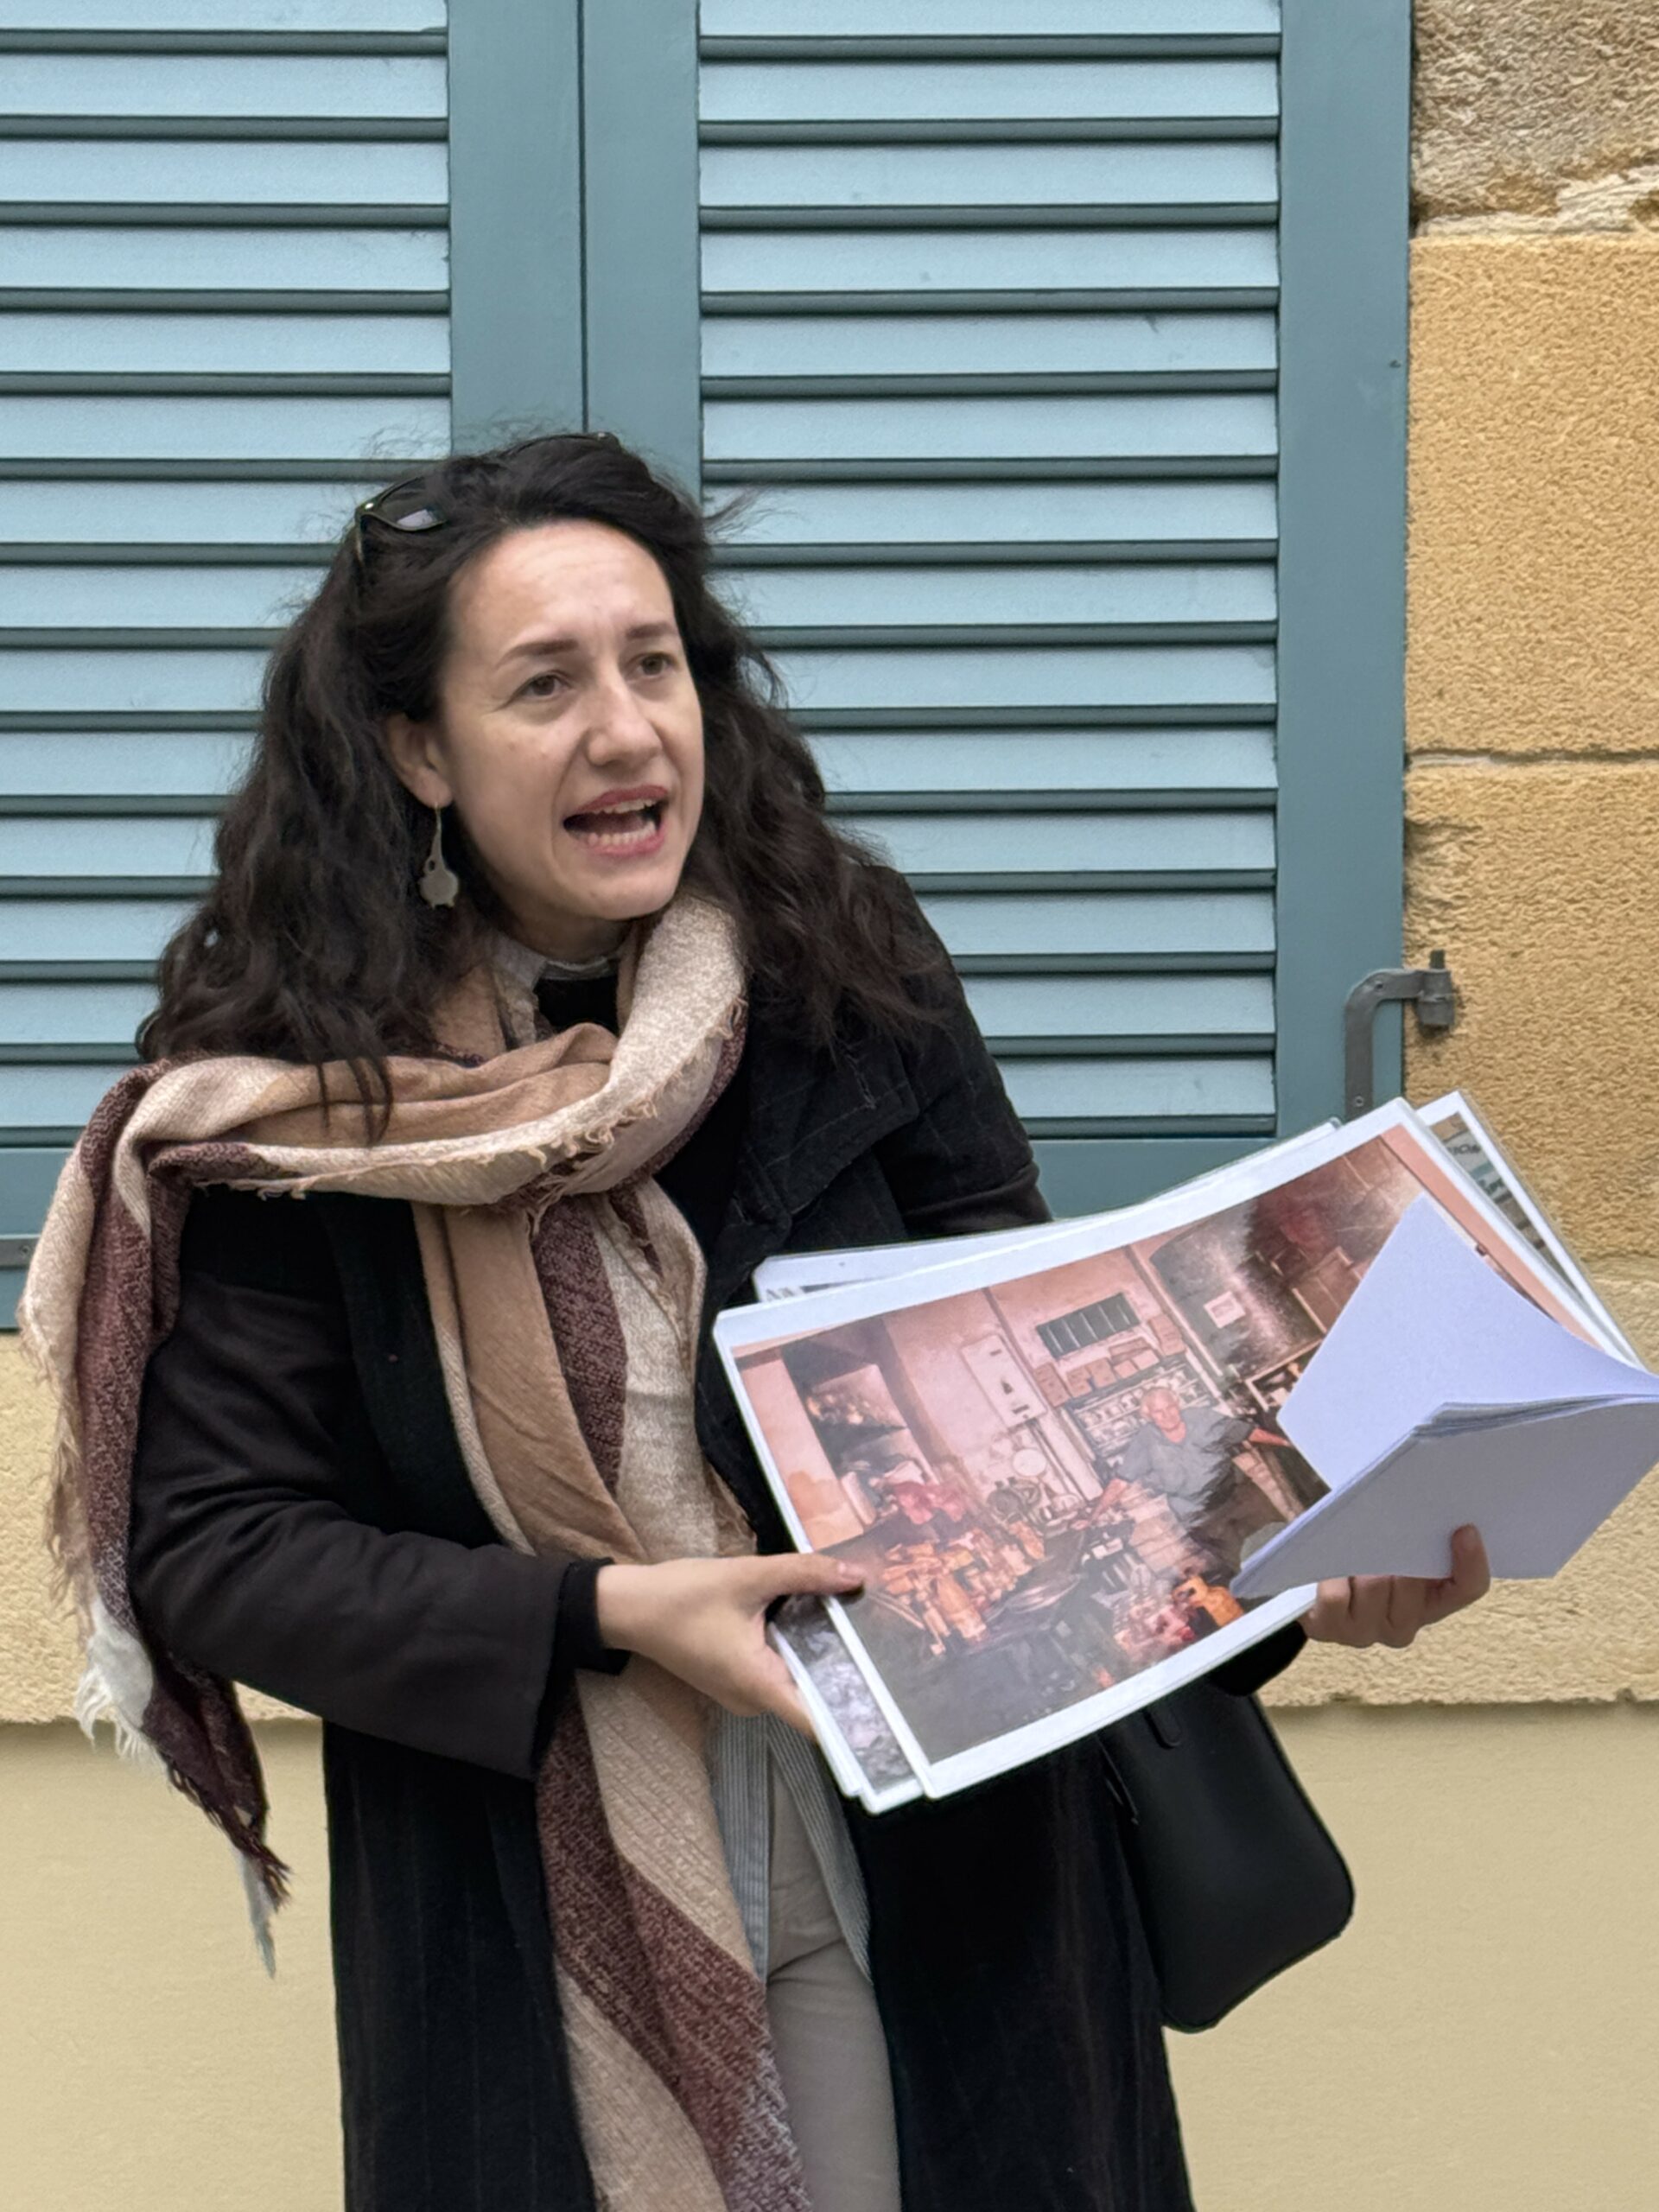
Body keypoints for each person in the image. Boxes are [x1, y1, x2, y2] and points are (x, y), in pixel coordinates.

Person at [22, 434, 1493, 2212]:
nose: (625, 730)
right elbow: (215, 1551)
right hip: (544, 1889)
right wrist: (606, 1612)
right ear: (420, 749)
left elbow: (1053, 1401)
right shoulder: (306, 1104)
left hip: (950, 1871)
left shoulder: (845, 974)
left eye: (653, 664)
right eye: (545, 685)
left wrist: (1287, 1570)